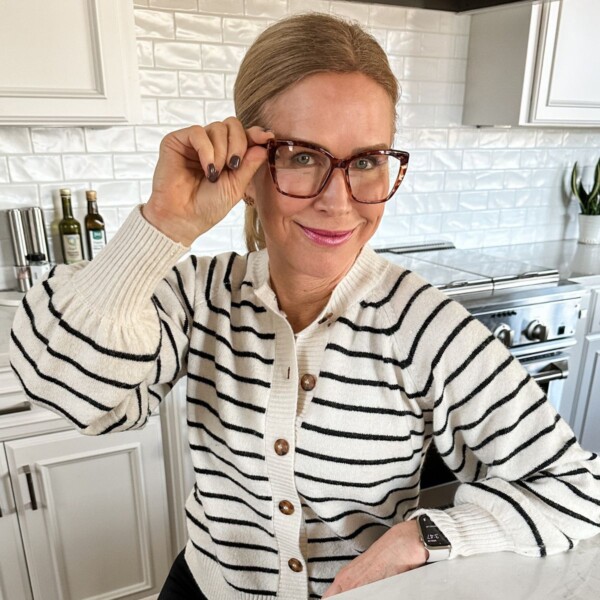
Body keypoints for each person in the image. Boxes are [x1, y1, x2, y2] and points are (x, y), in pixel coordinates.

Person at [9, 12, 600, 600]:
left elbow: (578, 489)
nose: (339, 202)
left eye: (366, 161)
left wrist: (427, 537)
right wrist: (163, 223)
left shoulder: (424, 328)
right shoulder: (200, 295)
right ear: (249, 164)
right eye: (302, 156)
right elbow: (64, 393)